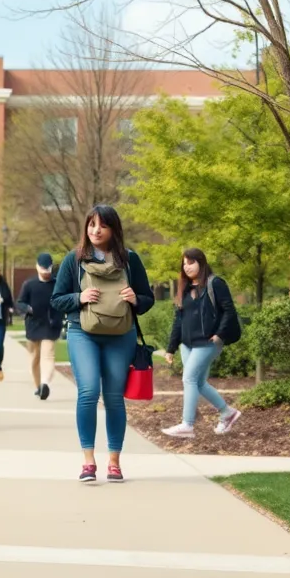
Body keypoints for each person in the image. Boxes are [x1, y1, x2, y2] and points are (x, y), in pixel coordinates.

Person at [51, 205, 154, 483]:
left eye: (103, 225)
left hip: (121, 334)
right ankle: (88, 461)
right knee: (88, 392)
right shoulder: (74, 259)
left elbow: (148, 299)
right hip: (82, 332)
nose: (96, 230)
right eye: (92, 224)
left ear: (113, 229)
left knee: (113, 397)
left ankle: (114, 462)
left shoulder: (129, 259)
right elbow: (56, 299)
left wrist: (136, 299)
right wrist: (79, 298)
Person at [161, 249, 243, 439]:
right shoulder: (184, 288)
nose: (186, 267)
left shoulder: (215, 283)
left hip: (208, 342)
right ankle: (227, 413)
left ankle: (187, 424)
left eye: (191, 262)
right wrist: (171, 348)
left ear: (201, 262)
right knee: (198, 382)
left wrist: (219, 334)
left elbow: (229, 310)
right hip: (187, 344)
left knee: (189, 379)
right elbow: (178, 321)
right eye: (184, 263)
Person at [17, 252, 64, 401]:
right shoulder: (29, 284)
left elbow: (63, 301)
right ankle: (39, 386)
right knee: (35, 358)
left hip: (51, 324)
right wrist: (27, 309)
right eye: (43, 269)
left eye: (48, 269)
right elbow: (20, 302)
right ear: (37, 267)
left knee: (48, 354)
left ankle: (45, 383)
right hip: (33, 324)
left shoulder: (57, 284)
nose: (46, 273)